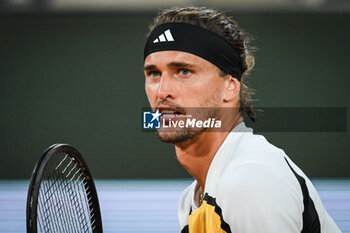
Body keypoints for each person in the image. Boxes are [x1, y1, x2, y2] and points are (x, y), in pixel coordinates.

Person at [143, 6, 341, 233]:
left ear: (230, 87)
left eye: (184, 71)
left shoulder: (250, 180)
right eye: (154, 74)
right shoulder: (192, 199)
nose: (162, 91)